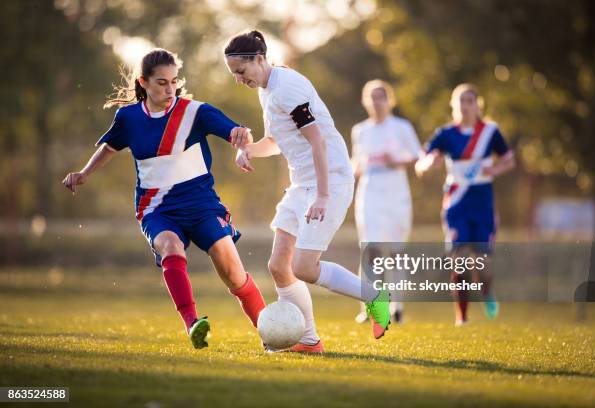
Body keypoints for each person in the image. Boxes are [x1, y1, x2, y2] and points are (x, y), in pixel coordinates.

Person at [62, 48, 266, 349]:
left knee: (234, 274)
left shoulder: (196, 112)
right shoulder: (128, 118)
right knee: (171, 246)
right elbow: (110, 147)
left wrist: (240, 139)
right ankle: (193, 323)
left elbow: (237, 132)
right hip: (157, 209)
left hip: (202, 206)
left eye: (174, 81)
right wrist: (84, 172)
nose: (170, 89)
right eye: (161, 82)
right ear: (143, 82)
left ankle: (269, 333)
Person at [224, 30, 391, 353]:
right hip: (302, 184)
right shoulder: (267, 88)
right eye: (234, 74)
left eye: (241, 72)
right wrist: (247, 151)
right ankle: (309, 340)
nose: (238, 79)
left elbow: (317, 141)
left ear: (259, 59)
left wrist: (324, 196)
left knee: (304, 268)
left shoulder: (288, 88)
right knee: (278, 266)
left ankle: (375, 296)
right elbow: (276, 142)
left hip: (330, 181)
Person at [415, 83, 515, 326]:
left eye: (470, 100)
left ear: (477, 105)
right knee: (458, 260)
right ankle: (462, 316)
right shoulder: (446, 134)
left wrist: (495, 168)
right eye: (461, 100)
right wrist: (429, 162)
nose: (466, 105)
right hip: (456, 204)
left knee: (483, 263)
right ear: (454, 105)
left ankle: (487, 291)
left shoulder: (490, 132)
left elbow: (509, 160)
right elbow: (421, 160)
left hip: (483, 205)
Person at [351, 80, 422, 325]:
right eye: (372, 97)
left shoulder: (402, 127)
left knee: (394, 251)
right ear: (365, 101)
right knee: (370, 249)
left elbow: (417, 157)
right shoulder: (360, 130)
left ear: (389, 100)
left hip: (396, 192)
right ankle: (369, 307)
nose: (376, 102)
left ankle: (397, 307)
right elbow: (356, 164)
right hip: (369, 192)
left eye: (381, 97)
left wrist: (396, 160)